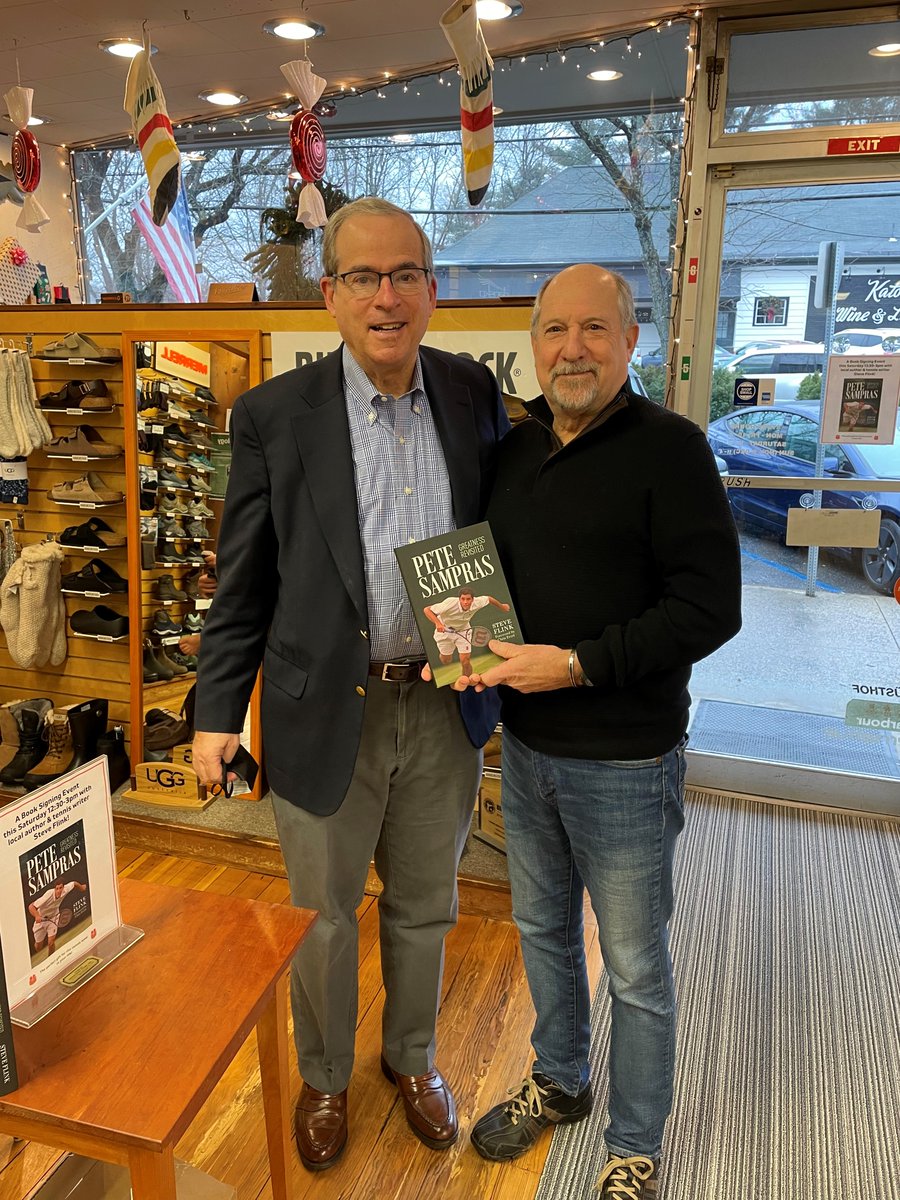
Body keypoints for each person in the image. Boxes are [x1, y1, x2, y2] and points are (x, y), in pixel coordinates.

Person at [191, 197, 509, 1172]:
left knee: (427, 904)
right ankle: (325, 1076)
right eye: (363, 278)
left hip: (444, 695)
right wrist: (212, 717)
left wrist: (495, 661)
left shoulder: (469, 395)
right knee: (323, 917)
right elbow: (241, 582)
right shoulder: (274, 418)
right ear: (329, 295)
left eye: (404, 274)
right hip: (321, 708)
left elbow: (494, 538)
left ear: (431, 289)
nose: (386, 296)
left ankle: (411, 1058)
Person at [462, 265, 742, 1198]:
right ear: (533, 343)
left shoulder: (674, 449)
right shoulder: (513, 447)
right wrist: (461, 643)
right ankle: (561, 1082)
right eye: (553, 331)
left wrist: (576, 662)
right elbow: (480, 576)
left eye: (593, 329)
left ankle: (635, 1142)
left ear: (632, 341)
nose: (571, 348)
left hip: (626, 756)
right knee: (541, 930)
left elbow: (709, 610)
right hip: (527, 747)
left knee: (633, 965)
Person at [424, 586, 510, 679]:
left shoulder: (477, 602)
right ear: (459, 599)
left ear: (473, 599)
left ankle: (467, 680)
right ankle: (442, 657)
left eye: (468, 599)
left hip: (464, 631)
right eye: (463, 599)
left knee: (465, 660)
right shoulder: (449, 603)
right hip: (445, 631)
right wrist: (438, 623)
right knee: (446, 660)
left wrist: (503, 607)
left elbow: (489, 599)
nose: (465, 602)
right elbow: (427, 610)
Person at [29, 879, 87, 956]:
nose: (59, 890)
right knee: (38, 947)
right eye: (57, 888)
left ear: (63, 887)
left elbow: (74, 883)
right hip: (41, 920)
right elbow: (31, 906)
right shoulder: (48, 894)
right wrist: (37, 916)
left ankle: (51, 959)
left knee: (51, 942)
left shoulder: (66, 889)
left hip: (53, 918)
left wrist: (82, 888)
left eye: (61, 888)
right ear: (54, 889)